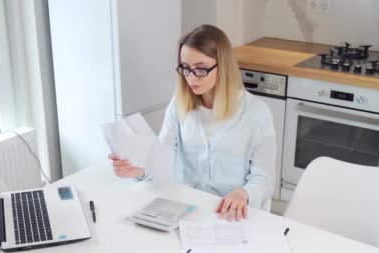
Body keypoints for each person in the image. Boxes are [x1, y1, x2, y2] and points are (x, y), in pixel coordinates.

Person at [109, 24, 275, 222]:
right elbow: (163, 156)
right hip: (185, 209)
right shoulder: (179, 104)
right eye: (185, 68)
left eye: (201, 69)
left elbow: (264, 179)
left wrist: (243, 193)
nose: (191, 77)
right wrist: (140, 168)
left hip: (230, 214)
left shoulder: (256, 113)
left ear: (223, 66)